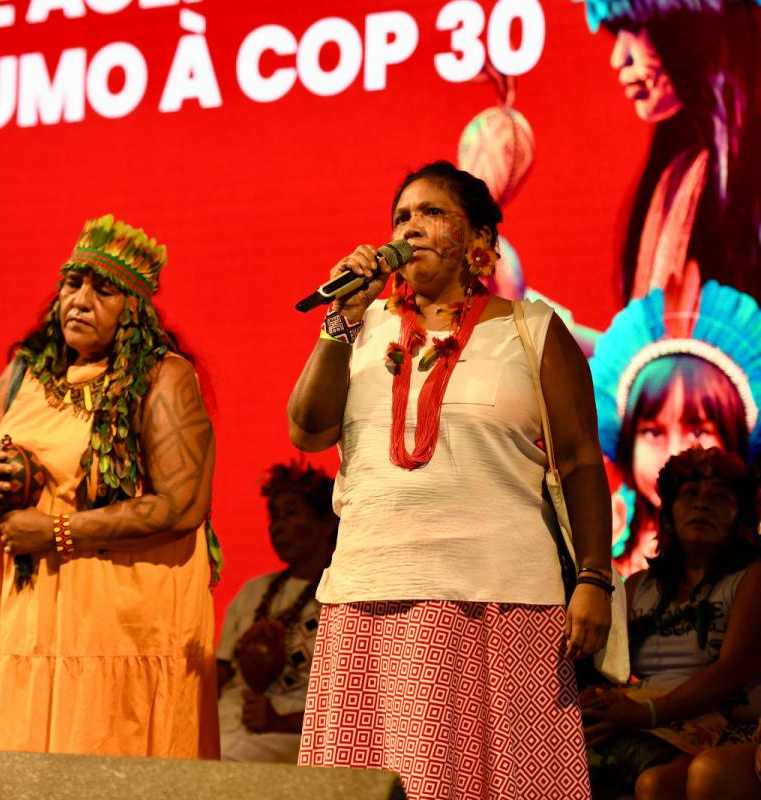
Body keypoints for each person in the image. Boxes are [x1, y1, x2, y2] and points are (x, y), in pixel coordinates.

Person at [287, 161, 612, 799]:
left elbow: (578, 460)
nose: (411, 228)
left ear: (481, 240)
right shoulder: (362, 327)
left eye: (432, 213)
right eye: (400, 217)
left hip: (500, 600)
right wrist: (339, 323)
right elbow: (307, 430)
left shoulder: (533, 331)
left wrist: (595, 579)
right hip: (369, 598)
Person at [0, 214, 220, 758]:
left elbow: (183, 506)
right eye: (72, 283)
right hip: (23, 618)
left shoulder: (164, 377)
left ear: (134, 310)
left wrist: (58, 531)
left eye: (104, 289)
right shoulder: (24, 371)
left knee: (102, 761)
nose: (80, 299)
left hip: (118, 625)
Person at [583, 446, 761, 800]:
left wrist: (648, 712)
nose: (702, 504)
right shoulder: (637, 586)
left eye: (719, 496)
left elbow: (733, 671)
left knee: (656, 784)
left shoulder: (752, 578)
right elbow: (609, 670)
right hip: (645, 717)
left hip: (720, 718)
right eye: (690, 494)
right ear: (669, 514)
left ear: (739, 516)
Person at [584, 0, 761, 311]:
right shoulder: (679, 170)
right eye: (616, 34)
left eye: (635, 29)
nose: (618, 58)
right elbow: (654, 351)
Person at [588, 282, 761, 576]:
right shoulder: (603, 534)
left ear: (734, 439)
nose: (674, 455)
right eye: (653, 433)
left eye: (698, 432)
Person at [216, 461, 336, 763]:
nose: (278, 525)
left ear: (327, 523)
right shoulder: (254, 591)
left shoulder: (344, 597)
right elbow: (220, 671)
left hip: (298, 735)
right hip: (230, 721)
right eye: (274, 516)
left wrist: (280, 721)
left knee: (227, 761)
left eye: (291, 513)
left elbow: (355, 702)